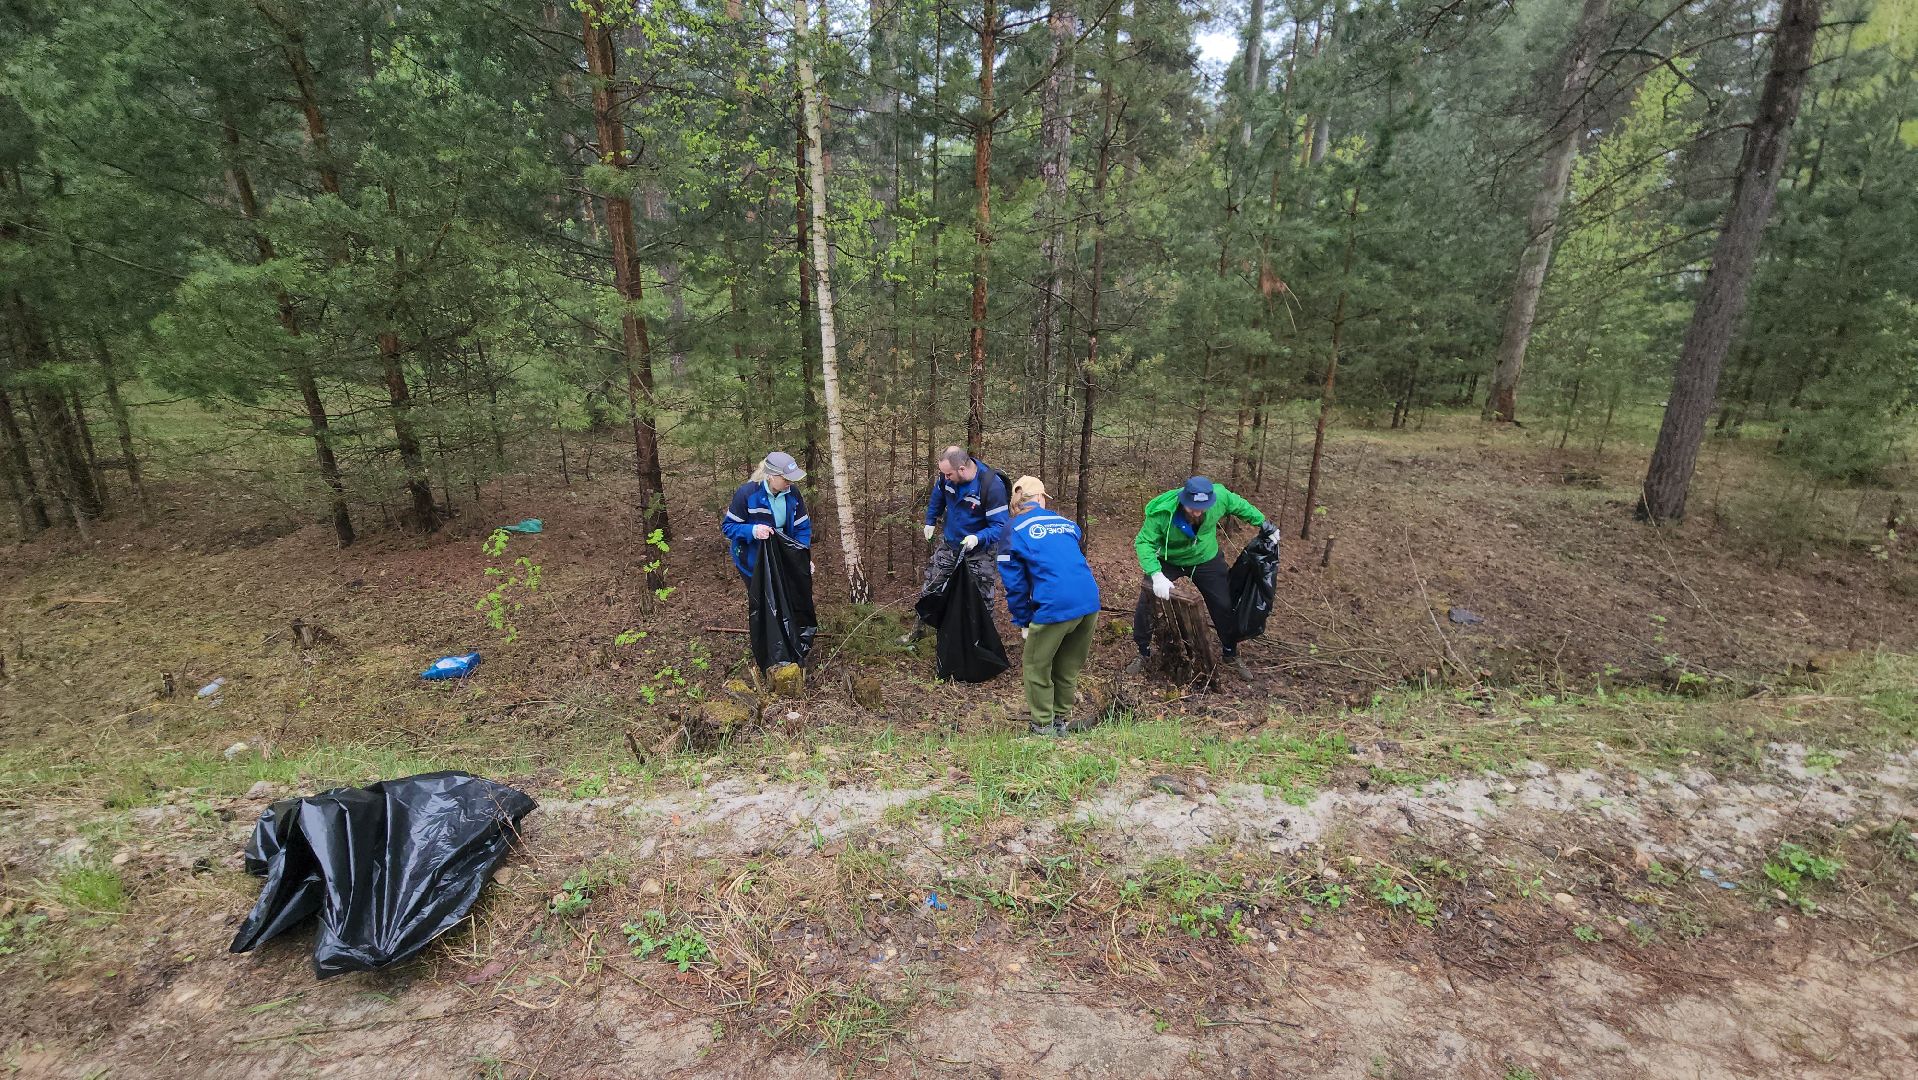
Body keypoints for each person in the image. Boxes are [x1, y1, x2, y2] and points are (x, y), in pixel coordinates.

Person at [1129, 476, 1273, 680]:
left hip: (1205, 558)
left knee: (1223, 604)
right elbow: (1144, 542)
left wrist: (1265, 524)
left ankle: (1230, 652)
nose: (1197, 512)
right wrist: (1156, 574)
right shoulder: (1162, 513)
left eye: (1202, 507)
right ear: (1183, 499)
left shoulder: (1220, 496)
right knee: (1146, 603)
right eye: (1192, 507)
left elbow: (1239, 505)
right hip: (1169, 560)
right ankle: (1142, 651)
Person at [998, 477, 1102, 737]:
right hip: (1089, 601)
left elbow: (1014, 584)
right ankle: (1060, 721)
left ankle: (1042, 726)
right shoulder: (1066, 524)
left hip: (1055, 605)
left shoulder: (1012, 530)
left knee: (1036, 666)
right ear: (1041, 499)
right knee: (1067, 667)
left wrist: (1023, 620)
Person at [897, 445, 1011, 645]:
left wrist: (978, 538)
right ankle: (918, 631)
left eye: (948, 474)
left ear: (962, 469)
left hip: (980, 552)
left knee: (981, 599)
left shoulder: (991, 486)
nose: (945, 477)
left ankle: (984, 644)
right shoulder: (946, 478)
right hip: (950, 545)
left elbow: (1000, 526)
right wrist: (930, 521)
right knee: (931, 588)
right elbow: (938, 497)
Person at [721, 450, 812, 579]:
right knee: (763, 598)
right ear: (771, 476)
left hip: (783, 559)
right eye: (786, 479)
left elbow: (802, 527)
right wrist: (753, 530)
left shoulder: (793, 493)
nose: (790, 483)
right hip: (753, 563)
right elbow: (728, 527)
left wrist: (802, 557)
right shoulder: (747, 494)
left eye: (792, 478)